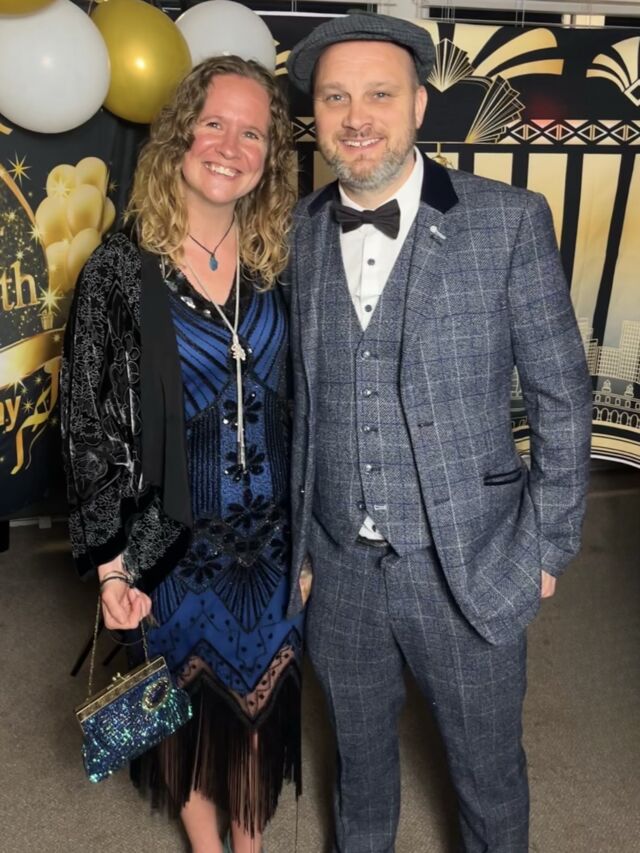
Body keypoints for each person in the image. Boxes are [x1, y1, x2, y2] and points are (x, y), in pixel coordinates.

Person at [285, 13, 592, 853]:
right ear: (315, 114)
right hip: (337, 567)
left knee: (487, 772)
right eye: (335, 97)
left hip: (472, 558)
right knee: (357, 762)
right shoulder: (295, 231)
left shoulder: (507, 219)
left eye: (379, 95)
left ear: (419, 104)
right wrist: (296, 546)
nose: (357, 117)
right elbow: (293, 403)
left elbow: (562, 395)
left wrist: (547, 545)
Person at [61, 56, 301, 853]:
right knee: (181, 708)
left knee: (262, 704)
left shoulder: (278, 260)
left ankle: (250, 842)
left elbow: (307, 405)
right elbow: (87, 426)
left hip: (272, 542)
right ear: (178, 136)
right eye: (214, 124)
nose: (231, 146)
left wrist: (313, 540)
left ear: (271, 156)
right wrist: (112, 569)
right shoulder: (119, 269)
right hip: (168, 543)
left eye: (252, 133)